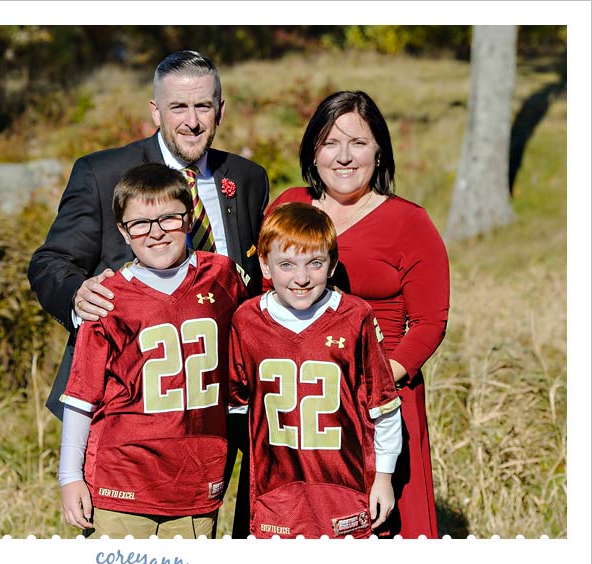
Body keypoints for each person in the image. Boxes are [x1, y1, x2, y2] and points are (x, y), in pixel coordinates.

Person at [28, 50, 268, 538]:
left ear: (221, 110)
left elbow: (253, 278)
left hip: (220, 399)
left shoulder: (246, 178)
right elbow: (50, 262)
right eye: (179, 107)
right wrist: (78, 296)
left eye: (204, 107)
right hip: (131, 406)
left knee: (209, 529)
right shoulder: (102, 173)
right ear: (156, 111)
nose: (193, 121)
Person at [269, 90, 450, 538]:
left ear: (379, 150)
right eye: (330, 142)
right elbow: (262, 293)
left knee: (377, 529)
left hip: (381, 396)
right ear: (314, 149)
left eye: (359, 142)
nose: (344, 157)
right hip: (301, 397)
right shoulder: (291, 206)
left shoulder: (409, 221)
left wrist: (376, 382)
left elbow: (430, 322)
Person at [58, 164, 249, 538]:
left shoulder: (222, 276)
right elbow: (82, 397)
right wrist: (69, 476)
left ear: (190, 218)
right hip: (122, 483)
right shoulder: (108, 296)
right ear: (122, 232)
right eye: (140, 223)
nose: (156, 232)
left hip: (196, 480)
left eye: (169, 218)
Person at [228, 202, 402, 538]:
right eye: (287, 264)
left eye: (315, 263)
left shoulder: (355, 317)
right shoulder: (247, 320)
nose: (302, 278)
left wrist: (384, 476)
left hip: (344, 488)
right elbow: (235, 411)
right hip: (275, 493)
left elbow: (383, 407)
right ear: (265, 264)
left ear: (332, 263)